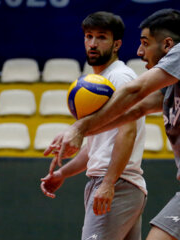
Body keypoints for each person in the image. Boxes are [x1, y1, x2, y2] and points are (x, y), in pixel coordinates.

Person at [45, 8, 180, 240]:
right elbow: (135, 110)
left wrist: (79, 128)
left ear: (168, 45)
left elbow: (136, 91)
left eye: (145, 43)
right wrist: (79, 131)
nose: (140, 52)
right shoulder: (176, 89)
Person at [40, 11, 147, 240]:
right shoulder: (98, 82)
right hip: (118, 184)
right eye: (89, 37)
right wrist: (62, 173)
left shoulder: (119, 78)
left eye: (101, 37)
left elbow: (128, 132)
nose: (93, 43)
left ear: (116, 44)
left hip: (117, 183)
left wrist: (108, 184)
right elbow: (95, 148)